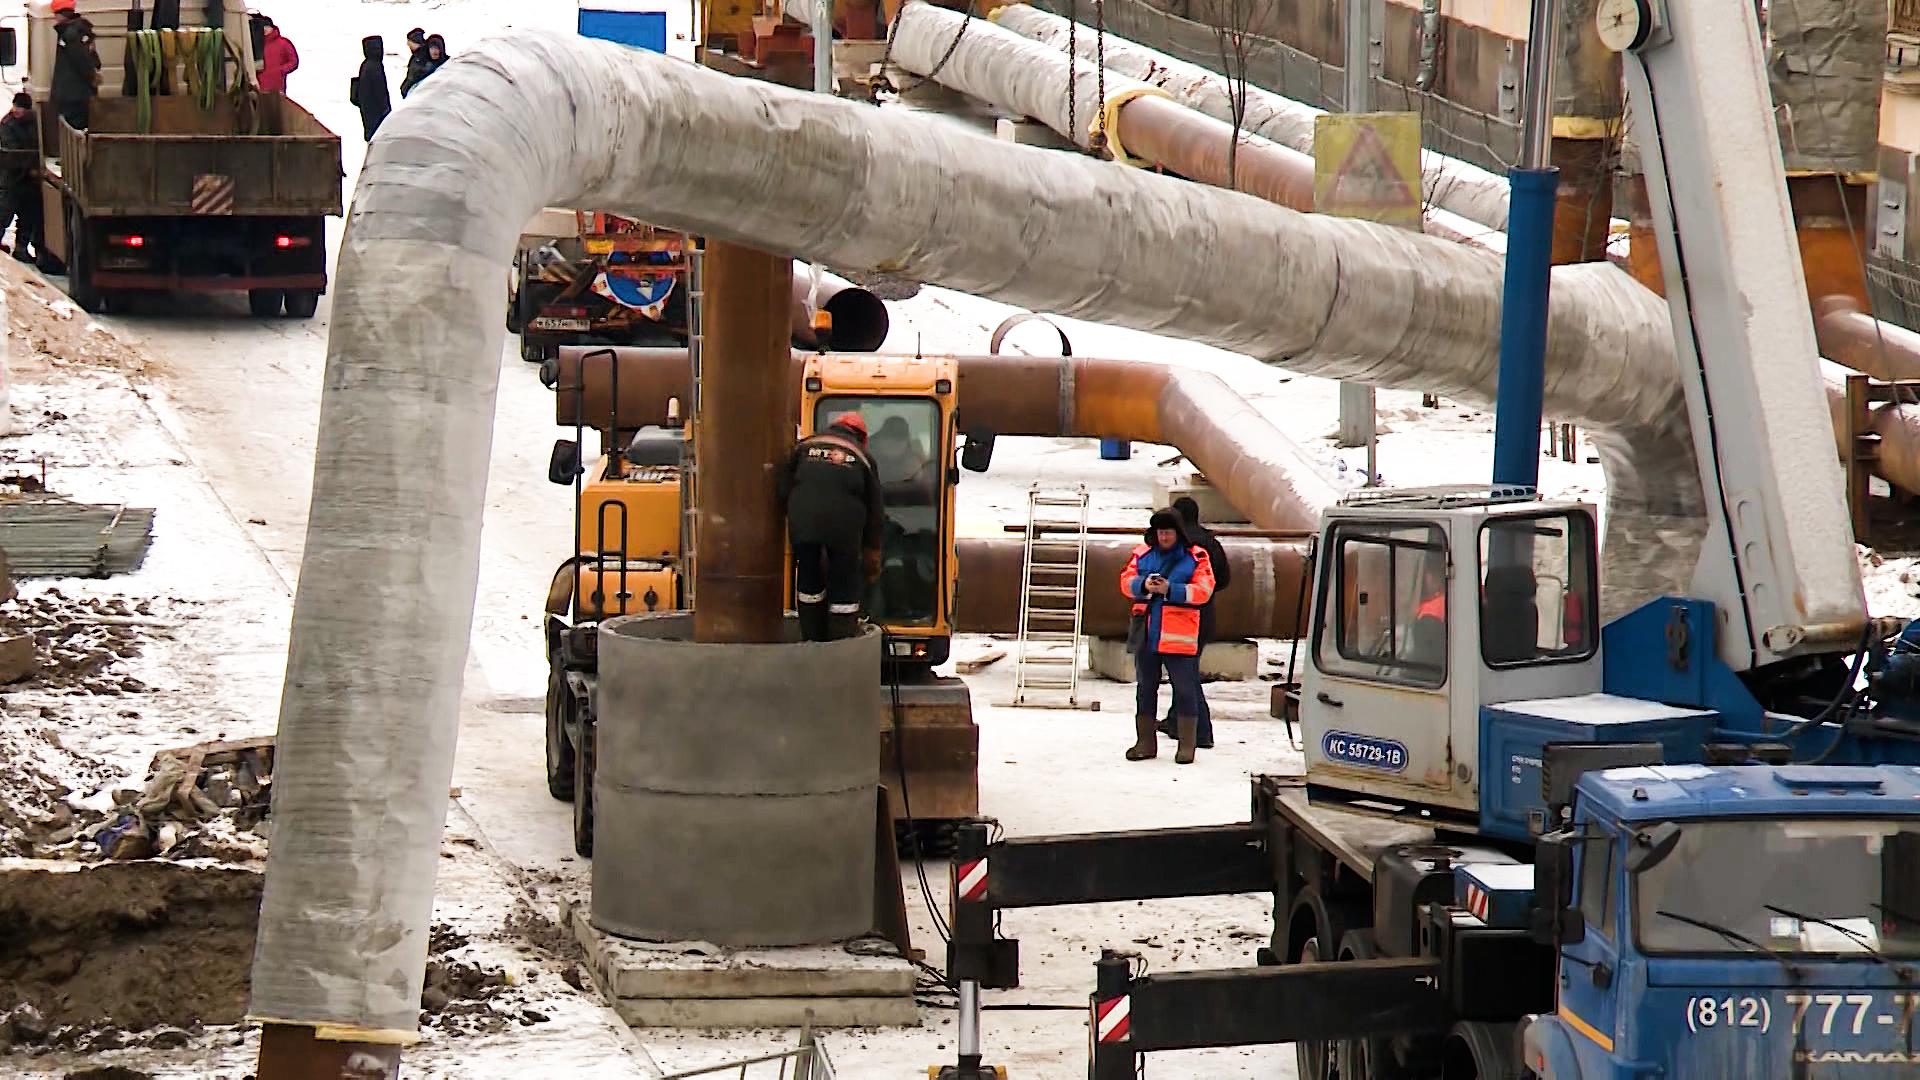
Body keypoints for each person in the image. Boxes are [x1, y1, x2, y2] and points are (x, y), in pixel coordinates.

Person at [778, 412, 885, 642]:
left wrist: (795, 521)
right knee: (844, 579)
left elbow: (782, 489)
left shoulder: (804, 448)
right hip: (844, 528)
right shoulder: (863, 457)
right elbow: (876, 510)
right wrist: (872, 552)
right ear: (861, 436)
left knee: (808, 576)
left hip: (803, 524)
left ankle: (811, 636)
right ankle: (841, 639)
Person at [1120, 508, 1216, 764]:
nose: (1163, 537)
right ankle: (1145, 743)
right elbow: (1126, 581)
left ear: (1177, 533)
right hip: (1147, 635)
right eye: (1160, 532)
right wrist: (1143, 585)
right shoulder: (1142, 555)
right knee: (1145, 689)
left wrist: (1171, 589)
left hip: (1179, 637)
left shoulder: (1196, 558)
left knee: (1185, 690)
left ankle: (1187, 745)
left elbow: (1203, 591)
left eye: (1168, 532)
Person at [1156, 497, 1230, 749]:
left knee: (1185, 677)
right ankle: (1177, 720)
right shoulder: (1212, 542)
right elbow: (1224, 578)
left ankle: (1201, 731)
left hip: (1181, 619)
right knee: (1185, 674)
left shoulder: (1183, 546)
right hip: (1205, 615)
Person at [0, 94, 42, 265]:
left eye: (22, 108)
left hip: (28, 178)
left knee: (27, 214)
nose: (18, 111)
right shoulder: (7, 125)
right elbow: (11, 152)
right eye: (16, 107)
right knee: (4, 212)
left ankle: (21, 248)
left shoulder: (34, 123)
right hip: (11, 177)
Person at [49, 0, 99, 133]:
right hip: (74, 94)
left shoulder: (72, 34)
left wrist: (92, 79)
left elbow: (82, 62)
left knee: (74, 133)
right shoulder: (77, 31)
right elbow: (92, 59)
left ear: (61, 14)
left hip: (73, 96)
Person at [349, 36, 391, 141]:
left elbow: (356, 97)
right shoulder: (376, 67)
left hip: (367, 112)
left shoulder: (365, 65)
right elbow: (381, 93)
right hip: (377, 114)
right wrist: (387, 111)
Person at [256, 16, 299, 93]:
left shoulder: (283, 43)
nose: (264, 29)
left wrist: (281, 71)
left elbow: (293, 62)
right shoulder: (254, 44)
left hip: (276, 86)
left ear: (272, 27)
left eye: (267, 26)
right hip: (257, 86)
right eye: (262, 27)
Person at [400, 29, 432, 97]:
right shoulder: (417, 56)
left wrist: (406, 88)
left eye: (409, 42)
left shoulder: (421, 57)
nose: (407, 44)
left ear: (416, 43)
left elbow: (415, 76)